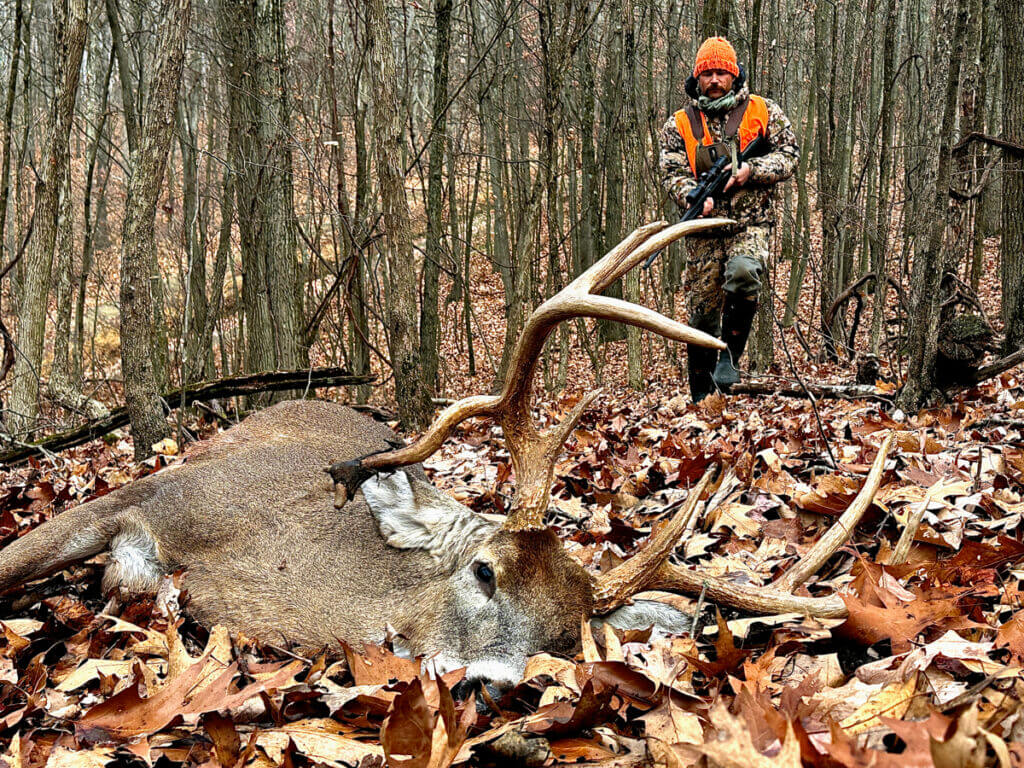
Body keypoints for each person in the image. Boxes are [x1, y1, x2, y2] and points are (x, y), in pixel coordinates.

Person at [659, 37, 799, 402]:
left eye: (722, 71)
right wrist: (692, 196)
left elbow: (790, 155)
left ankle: (730, 360)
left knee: (743, 272)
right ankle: (700, 400)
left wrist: (753, 170)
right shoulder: (679, 124)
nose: (715, 79)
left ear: (734, 74)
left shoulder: (762, 111)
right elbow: (671, 171)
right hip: (703, 231)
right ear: (697, 77)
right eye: (708, 73)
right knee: (701, 318)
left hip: (750, 224)